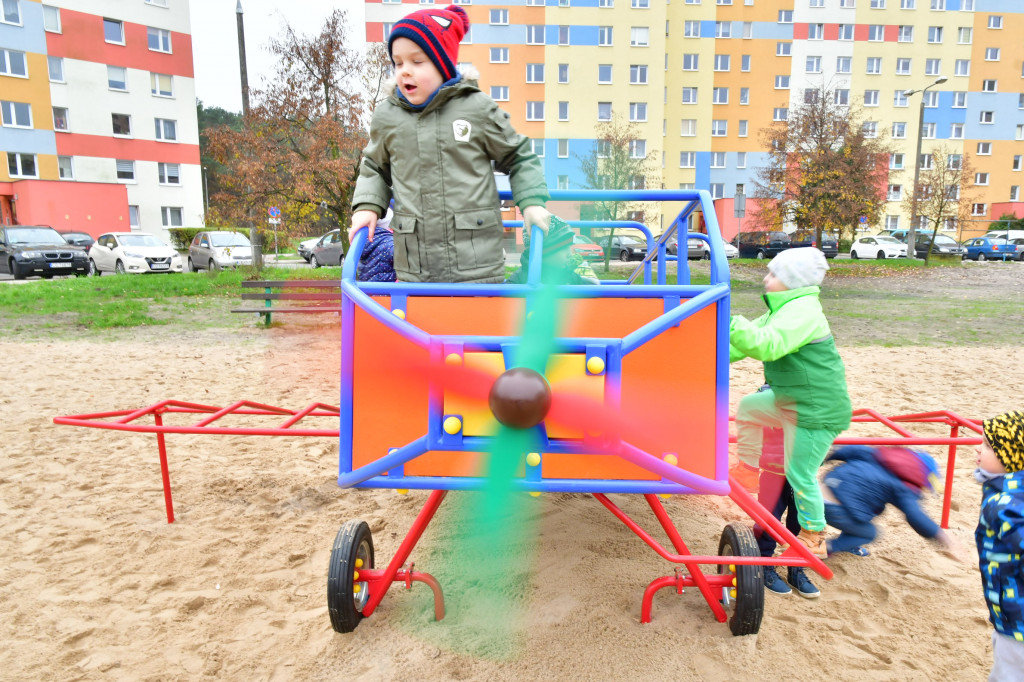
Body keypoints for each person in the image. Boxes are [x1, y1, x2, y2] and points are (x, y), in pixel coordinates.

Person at [349, 5, 550, 284]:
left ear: (442, 64)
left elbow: (519, 157)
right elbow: (373, 167)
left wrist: (531, 203)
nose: (405, 71)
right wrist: (367, 208)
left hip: (476, 266)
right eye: (398, 63)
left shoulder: (476, 108)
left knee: (474, 327)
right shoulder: (388, 116)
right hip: (415, 269)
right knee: (419, 327)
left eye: (417, 62)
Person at [729, 247, 852, 559]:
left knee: (800, 473)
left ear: (793, 281)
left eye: (773, 274)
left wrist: (731, 323)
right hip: (790, 399)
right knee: (749, 408)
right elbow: (745, 343)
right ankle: (746, 467)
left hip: (815, 411)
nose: (766, 279)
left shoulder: (804, 312)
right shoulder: (782, 309)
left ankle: (814, 535)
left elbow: (768, 345)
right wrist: (711, 351)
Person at [821, 445, 960, 558]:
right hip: (834, 509)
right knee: (871, 532)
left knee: (865, 511)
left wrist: (825, 459)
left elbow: (847, 450)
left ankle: (848, 543)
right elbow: (915, 515)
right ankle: (826, 548)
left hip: (817, 492)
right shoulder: (906, 488)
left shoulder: (878, 455)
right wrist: (941, 535)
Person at [974, 410, 1024, 681]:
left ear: (1011, 454)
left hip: (1016, 621)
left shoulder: (1004, 504)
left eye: (988, 445)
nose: (979, 449)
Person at [754, 425, 821, 598]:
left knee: (802, 520)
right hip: (774, 467)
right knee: (769, 519)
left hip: (803, 470)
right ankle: (764, 563)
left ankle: (796, 567)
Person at [505, 216, 600, 286]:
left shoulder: (568, 274)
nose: (569, 254)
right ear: (543, 252)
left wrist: (590, 279)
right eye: (563, 248)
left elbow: (593, 294)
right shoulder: (517, 281)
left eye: (569, 247)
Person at [356, 208, 397, 282]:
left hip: (368, 290)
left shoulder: (361, 241)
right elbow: (402, 256)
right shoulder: (388, 242)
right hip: (386, 290)